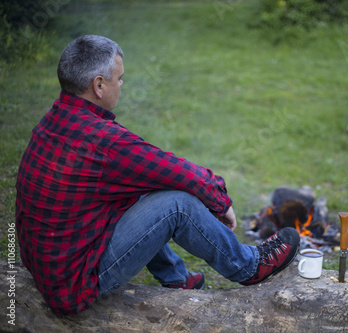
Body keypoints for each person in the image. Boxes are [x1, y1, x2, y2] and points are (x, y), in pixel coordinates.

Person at [15, 35, 300, 315]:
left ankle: (176, 278)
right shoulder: (103, 141)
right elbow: (175, 171)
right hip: (73, 283)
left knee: (134, 190)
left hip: (48, 265)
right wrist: (220, 201)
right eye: (119, 77)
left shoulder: (54, 119)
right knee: (177, 205)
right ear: (99, 85)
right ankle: (248, 266)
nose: (122, 83)